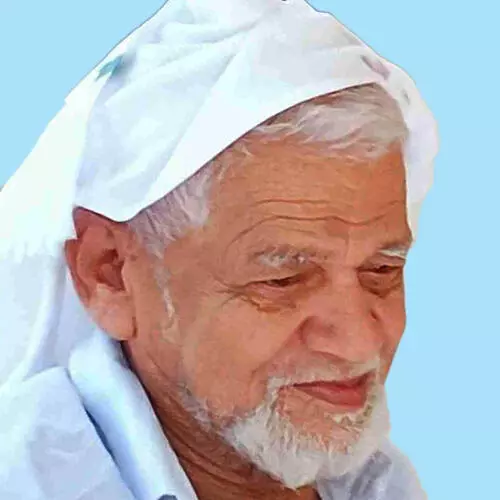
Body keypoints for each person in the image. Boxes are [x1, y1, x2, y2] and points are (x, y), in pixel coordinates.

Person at [0, 1, 438, 499]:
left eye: (381, 271)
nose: (359, 343)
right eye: (282, 281)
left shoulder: (379, 482)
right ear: (111, 273)